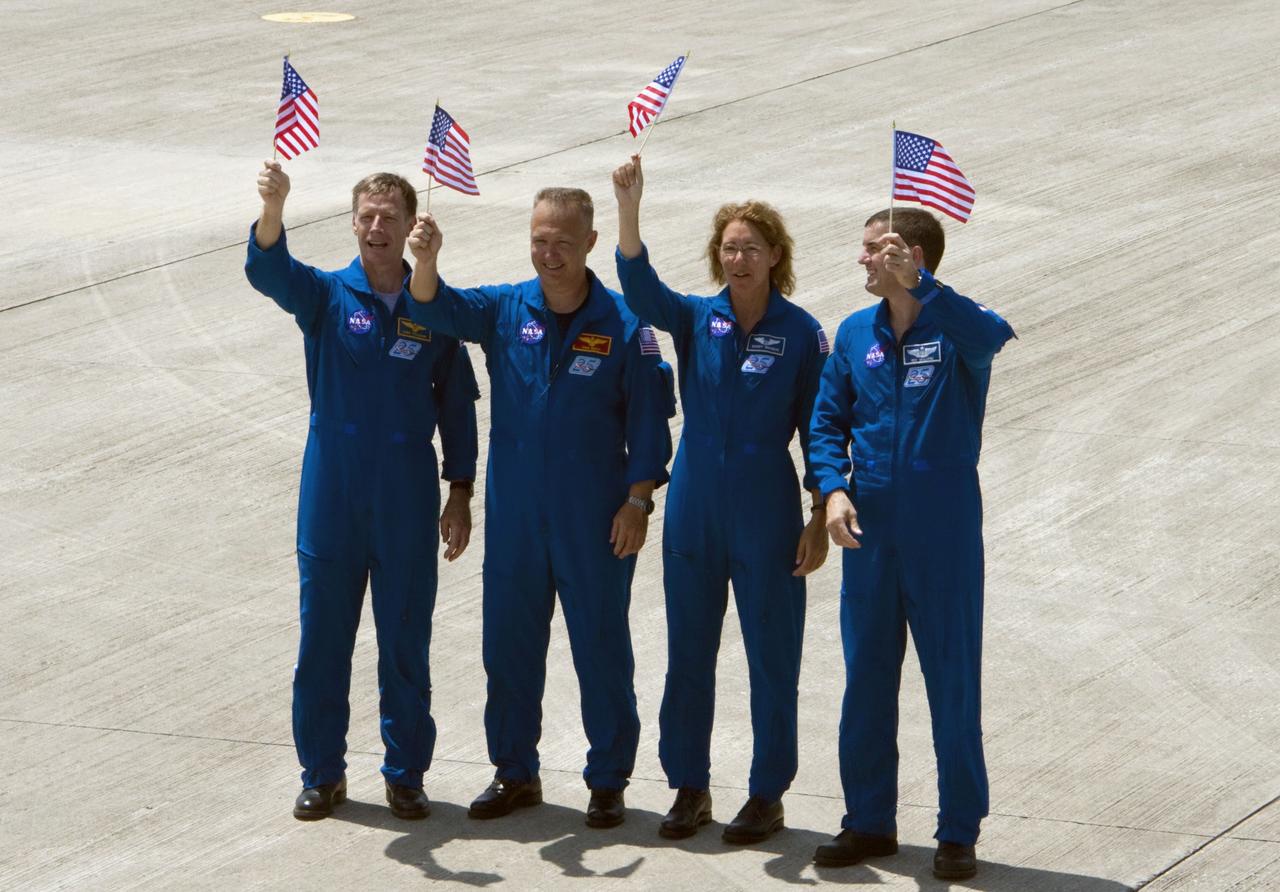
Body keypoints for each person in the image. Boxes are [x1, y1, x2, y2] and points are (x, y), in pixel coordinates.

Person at [404, 187, 674, 829]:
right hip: (519, 521)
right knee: (509, 648)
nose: (548, 253)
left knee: (601, 649)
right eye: (538, 240)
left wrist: (638, 501)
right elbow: (434, 306)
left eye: (561, 241)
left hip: (595, 520)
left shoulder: (627, 328)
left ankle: (608, 780)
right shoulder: (503, 309)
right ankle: (514, 772)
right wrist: (424, 259)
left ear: (588, 242)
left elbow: (651, 427)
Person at [245, 162, 479, 822]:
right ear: (353, 224)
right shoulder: (325, 297)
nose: (377, 227)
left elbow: (457, 407)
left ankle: (406, 774)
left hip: (405, 499)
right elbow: (269, 271)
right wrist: (273, 206)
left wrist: (459, 491)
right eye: (367, 216)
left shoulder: (433, 308)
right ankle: (322, 772)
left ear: (411, 227)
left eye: (390, 217)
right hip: (332, 498)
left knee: (406, 641)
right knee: (323, 641)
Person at [612, 155, 830, 844]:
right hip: (697, 505)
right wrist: (628, 209)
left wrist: (820, 515)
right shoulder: (695, 318)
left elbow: (819, 430)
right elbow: (640, 288)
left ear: (774, 257)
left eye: (751, 248)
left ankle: (767, 793)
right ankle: (689, 787)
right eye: (729, 248)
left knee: (772, 654)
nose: (739, 258)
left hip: (767, 507)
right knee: (688, 650)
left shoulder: (801, 334)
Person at [807, 208, 1015, 880]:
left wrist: (923, 287)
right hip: (870, 533)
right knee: (866, 681)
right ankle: (868, 821)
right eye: (867, 250)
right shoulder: (853, 333)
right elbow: (825, 421)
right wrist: (833, 489)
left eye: (874, 250)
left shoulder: (956, 328)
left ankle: (958, 830)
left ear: (913, 254)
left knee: (952, 683)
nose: (863, 261)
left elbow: (994, 334)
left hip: (942, 531)